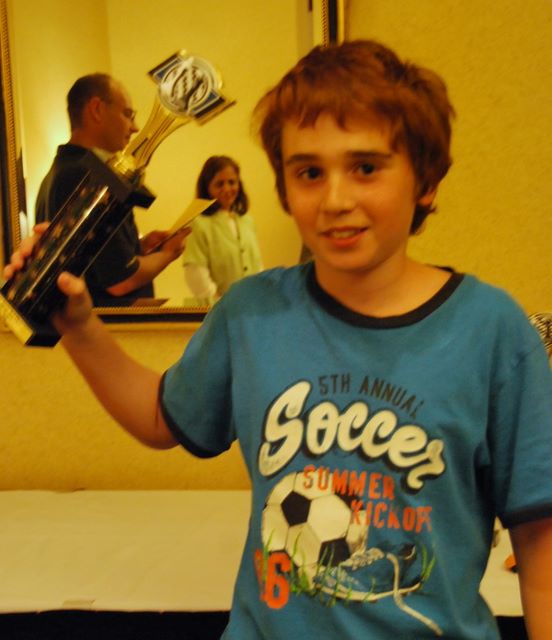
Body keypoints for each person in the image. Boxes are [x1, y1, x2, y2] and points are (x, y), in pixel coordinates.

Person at [5, 40, 552, 639]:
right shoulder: (251, 313)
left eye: (366, 167)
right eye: (309, 172)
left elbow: (539, 541)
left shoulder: (492, 331)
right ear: (286, 188)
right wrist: (79, 327)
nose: (335, 200)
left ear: (425, 179)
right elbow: (162, 418)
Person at [35, 73, 187, 306]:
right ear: (96, 109)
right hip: (106, 324)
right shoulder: (87, 175)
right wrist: (168, 254)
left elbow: (95, 263)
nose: (135, 127)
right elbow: (120, 281)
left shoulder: (63, 169)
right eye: (128, 114)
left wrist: (138, 247)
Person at [182, 155, 262, 302]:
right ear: (207, 187)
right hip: (217, 308)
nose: (227, 189)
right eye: (219, 184)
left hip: (252, 306)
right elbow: (195, 273)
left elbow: (257, 266)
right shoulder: (198, 224)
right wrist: (222, 303)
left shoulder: (247, 221)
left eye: (232, 182)